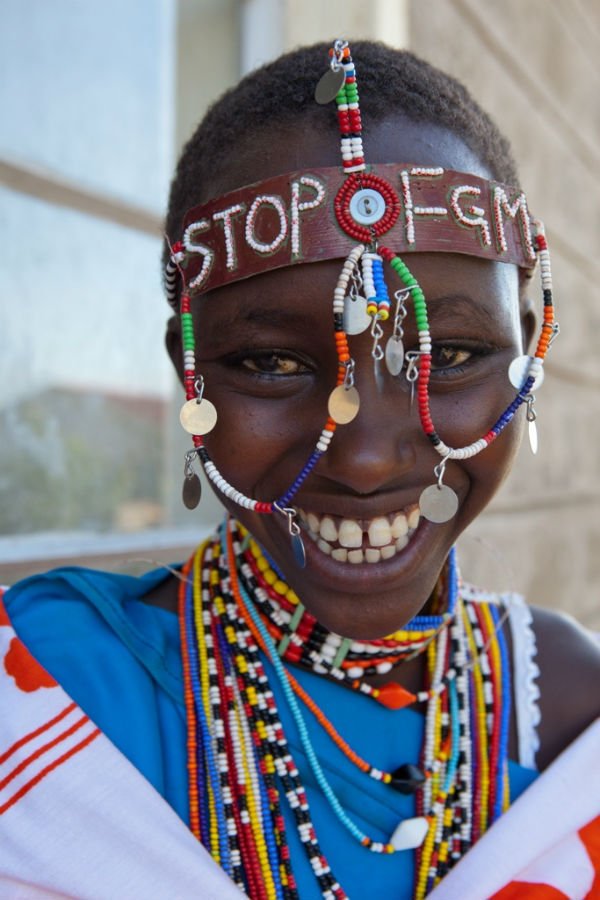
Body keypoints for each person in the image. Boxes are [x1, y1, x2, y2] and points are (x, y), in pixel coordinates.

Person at [1, 40, 599, 900]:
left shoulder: (572, 714)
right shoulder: (46, 685)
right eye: (272, 365)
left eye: (451, 355)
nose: (364, 458)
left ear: (527, 353)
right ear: (189, 374)